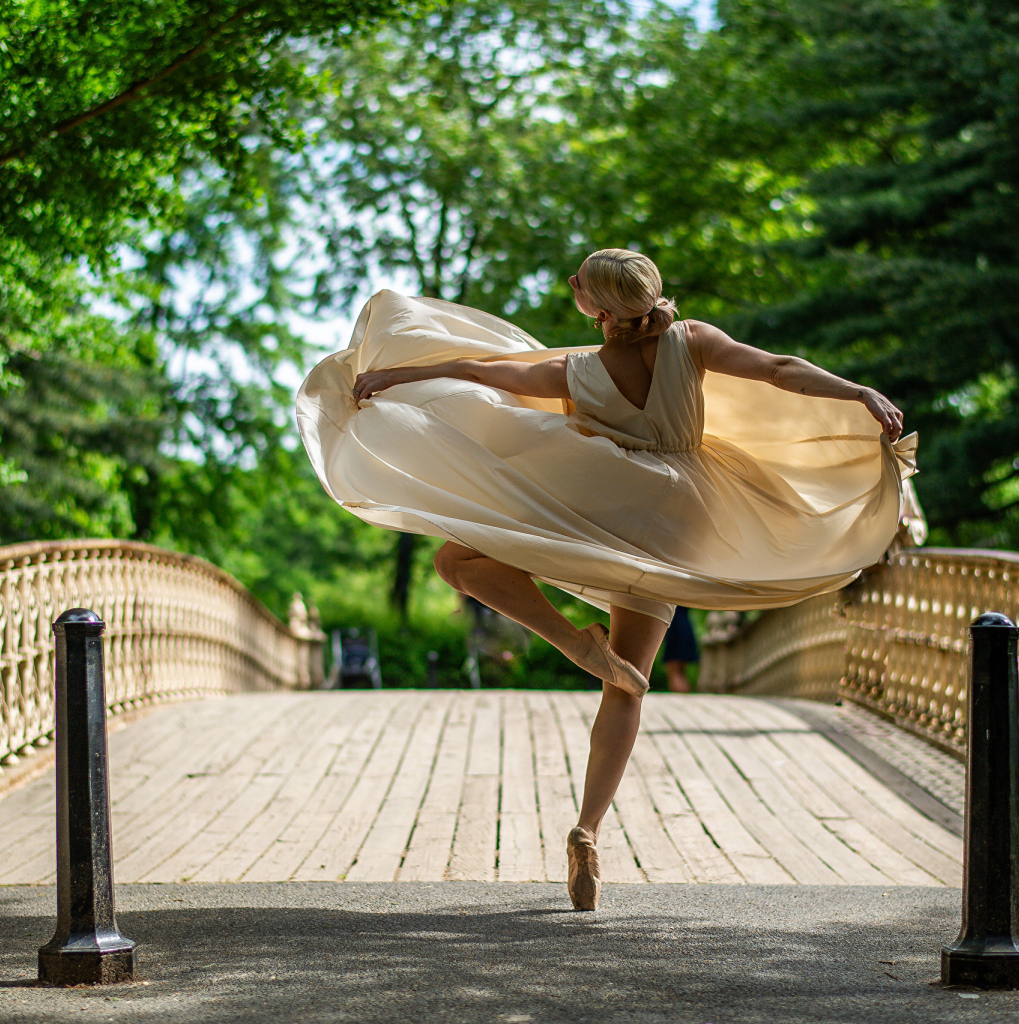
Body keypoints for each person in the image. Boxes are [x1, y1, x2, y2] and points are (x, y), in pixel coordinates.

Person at [296, 248, 915, 911]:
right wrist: (857, 392)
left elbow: (482, 367)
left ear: (598, 307)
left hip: (602, 505)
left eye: (580, 284)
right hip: (679, 521)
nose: (571, 287)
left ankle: (573, 643)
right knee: (627, 687)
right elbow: (777, 370)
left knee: (456, 562)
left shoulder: (578, 370)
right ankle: (588, 830)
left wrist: (396, 376)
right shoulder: (692, 341)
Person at [662, 607, 699, 693]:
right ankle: (683, 697)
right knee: (680, 672)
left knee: (674, 671)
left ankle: (680, 696)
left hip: (675, 630)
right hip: (685, 627)